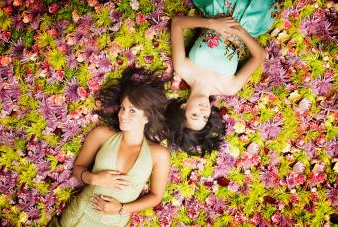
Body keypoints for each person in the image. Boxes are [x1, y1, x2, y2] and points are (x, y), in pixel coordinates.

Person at [49, 68, 170, 227]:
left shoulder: (159, 154)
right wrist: (94, 178)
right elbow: (78, 168)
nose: (123, 115)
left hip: (114, 222)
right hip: (79, 215)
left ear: (147, 117)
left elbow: (155, 196)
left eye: (132, 110)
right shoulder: (101, 134)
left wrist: (121, 209)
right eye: (122, 108)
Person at [166, 0, 278, 156]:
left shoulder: (183, 68)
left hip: (221, 7)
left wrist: (212, 24)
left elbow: (177, 23)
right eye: (204, 117)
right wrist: (240, 32)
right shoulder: (228, 87)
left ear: (183, 107)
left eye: (194, 115)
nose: (203, 111)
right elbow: (259, 56)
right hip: (249, 20)